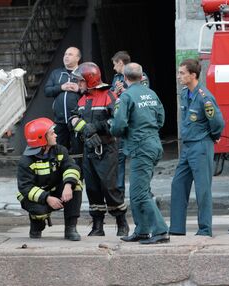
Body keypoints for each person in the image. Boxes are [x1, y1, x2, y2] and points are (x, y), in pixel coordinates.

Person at [110, 63, 169, 244]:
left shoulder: (126, 96)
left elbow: (118, 126)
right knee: (140, 189)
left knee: (138, 193)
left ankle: (161, 231)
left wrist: (115, 129)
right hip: (153, 144)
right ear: (141, 76)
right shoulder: (151, 94)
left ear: (125, 79)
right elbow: (161, 119)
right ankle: (142, 230)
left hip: (140, 147)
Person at [71, 62, 129, 236]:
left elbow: (118, 120)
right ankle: (98, 225)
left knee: (110, 187)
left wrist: (97, 127)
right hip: (89, 149)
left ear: (89, 79)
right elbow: (73, 119)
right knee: (93, 188)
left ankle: (121, 222)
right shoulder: (82, 98)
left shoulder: (108, 96)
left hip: (107, 149)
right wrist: (84, 129)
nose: (78, 84)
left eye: (80, 81)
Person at [169, 59, 225, 237]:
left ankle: (205, 229)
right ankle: (177, 228)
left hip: (201, 146)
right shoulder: (186, 93)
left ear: (193, 75)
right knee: (178, 185)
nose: (179, 76)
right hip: (187, 147)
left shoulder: (204, 97)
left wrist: (213, 137)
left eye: (182, 73)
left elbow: (217, 123)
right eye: (179, 73)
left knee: (202, 189)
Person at [17, 117, 83, 241]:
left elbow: (72, 166)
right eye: (52, 133)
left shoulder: (59, 150)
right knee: (39, 211)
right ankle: (37, 225)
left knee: (76, 184)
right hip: (35, 197)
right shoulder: (26, 160)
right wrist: (47, 198)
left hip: (56, 190)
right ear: (42, 138)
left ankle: (71, 228)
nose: (56, 135)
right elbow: (25, 188)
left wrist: (68, 185)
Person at [110, 51, 150, 199]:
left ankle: (144, 190)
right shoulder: (117, 78)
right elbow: (111, 97)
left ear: (120, 62)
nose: (114, 68)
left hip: (135, 121)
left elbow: (144, 93)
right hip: (122, 118)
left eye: (115, 64)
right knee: (119, 156)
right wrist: (115, 91)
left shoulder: (140, 75)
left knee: (139, 157)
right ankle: (119, 191)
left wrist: (125, 91)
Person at [44, 47, 82, 153]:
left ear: (77, 58)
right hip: (59, 120)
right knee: (59, 151)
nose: (66, 56)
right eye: (65, 54)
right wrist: (61, 87)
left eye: (70, 54)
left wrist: (79, 89)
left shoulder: (83, 73)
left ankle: (78, 170)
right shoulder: (56, 73)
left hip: (78, 120)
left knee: (78, 151)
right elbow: (47, 91)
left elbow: (92, 91)